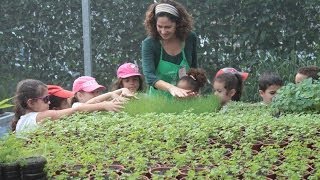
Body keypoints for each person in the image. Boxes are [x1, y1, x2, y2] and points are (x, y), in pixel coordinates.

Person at [12, 79, 124, 134]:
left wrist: (109, 95)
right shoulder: (41, 117)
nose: (49, 103)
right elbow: (77, 109)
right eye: (46, 99)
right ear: (31, 103)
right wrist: (104, 105)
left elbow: (81, 106)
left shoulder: (22, 121)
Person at [142, 0, 197, 98]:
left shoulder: (190, 38)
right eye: (159, 26)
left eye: (168, 27)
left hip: (185, 99)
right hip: (158, 101)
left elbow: (194, 69)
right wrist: (172, 88)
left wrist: (195, 90)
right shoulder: (149, 43)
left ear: (178, 24)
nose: (163, 31)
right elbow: (150, 77)